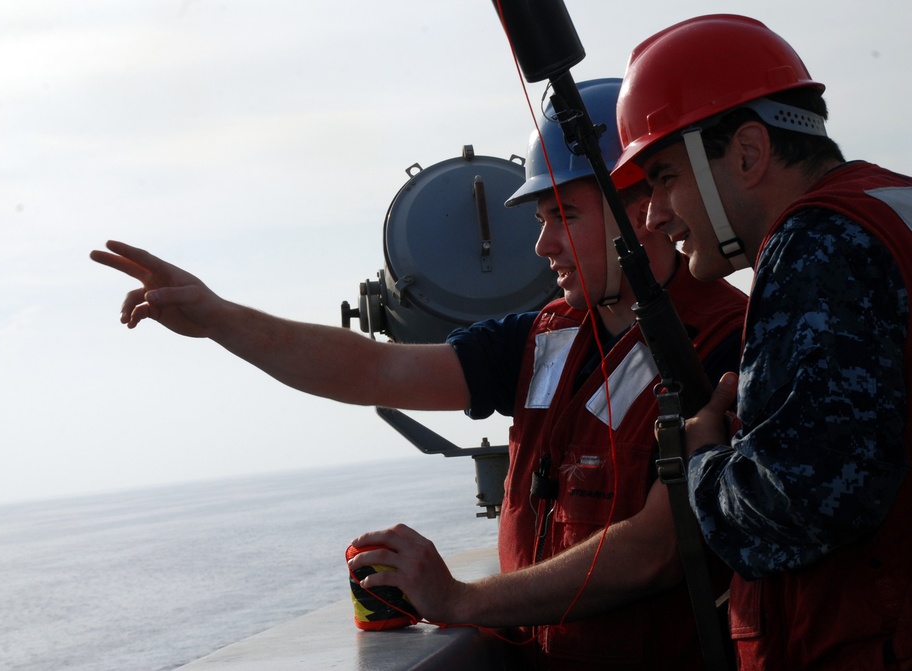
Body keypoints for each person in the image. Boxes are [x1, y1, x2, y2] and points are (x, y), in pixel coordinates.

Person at [91, 79, 747, 670]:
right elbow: (378, 369)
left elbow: (657, 550)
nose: (542, 246)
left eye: (563, 217)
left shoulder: (725, 349)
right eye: (541, 220)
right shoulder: (544, 335)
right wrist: (218, 318)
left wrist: (457, 596)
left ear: (639, 211)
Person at [610, 14, 912, 670]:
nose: (654, 214)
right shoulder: (889, 207)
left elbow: (808, 501)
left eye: (663, 177)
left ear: (748, 153)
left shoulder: (815, 245)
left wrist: (704, 460)